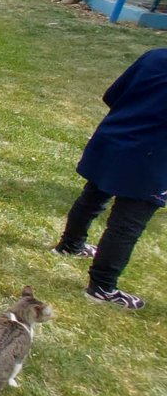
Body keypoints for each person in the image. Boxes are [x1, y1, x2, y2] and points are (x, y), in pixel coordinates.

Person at [53, 48, 167, 310]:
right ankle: (102, 287)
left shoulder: (155, 57)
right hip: (151, 157)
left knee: (93, 196)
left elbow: (112, 95)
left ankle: (70, 246)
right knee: (127, 223)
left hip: (114, 139)